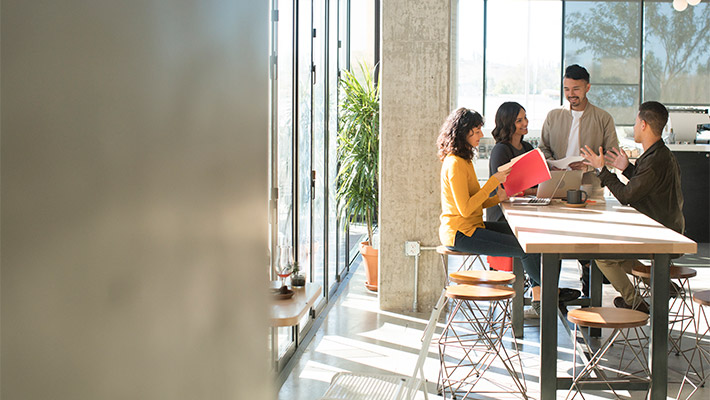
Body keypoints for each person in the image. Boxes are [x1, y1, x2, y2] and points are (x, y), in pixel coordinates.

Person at [437, 107, 572, 319]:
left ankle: (545, 293)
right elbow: (464, 209)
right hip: (460, 233)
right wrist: (494, 181)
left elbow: (472, 202)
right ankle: (550, 292)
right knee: (526, 248)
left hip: (472, 226)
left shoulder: (463, 160)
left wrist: (497, 198)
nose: (481, 134)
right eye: (477, 130)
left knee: (529, 237)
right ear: (464, 132)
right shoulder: (454, 163)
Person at [580, 101, 684, 313]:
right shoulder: (660, 154)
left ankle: (634, 302)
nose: (635, 127)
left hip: (659, 232)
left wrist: (602, 170)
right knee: (618, 255)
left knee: (603, 256)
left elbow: (627, 195)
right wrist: (626, 168)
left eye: (636, 122)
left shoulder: (655, 159)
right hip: (665, 226)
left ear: (644, 124)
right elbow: (646, 185)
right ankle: (662, 285)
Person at [486, 102, 581, 312]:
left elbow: (537, 181)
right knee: (533, 241)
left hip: (526, 207)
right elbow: (503, 188)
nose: (525, 123)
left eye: (525, 118)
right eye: (519, 120)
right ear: (508, 123)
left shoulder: (528, 148)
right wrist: (531, 191)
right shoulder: (501, 150)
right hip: (504, 214)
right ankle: (550, 291)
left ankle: (542, 297)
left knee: (552, 239)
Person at [539, 64, 619, 297]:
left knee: (588, 242)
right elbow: (543, 148)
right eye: (566, 89)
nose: (571, 94)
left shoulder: (603, 118)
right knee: (554, 241)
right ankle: (551, 293)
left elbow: (613, 155)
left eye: (576, 88)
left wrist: (590, 163)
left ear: (587, 88)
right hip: (558, 184)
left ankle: (589, 292)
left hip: (590, 187)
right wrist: (553, 161)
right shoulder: (554, 116)